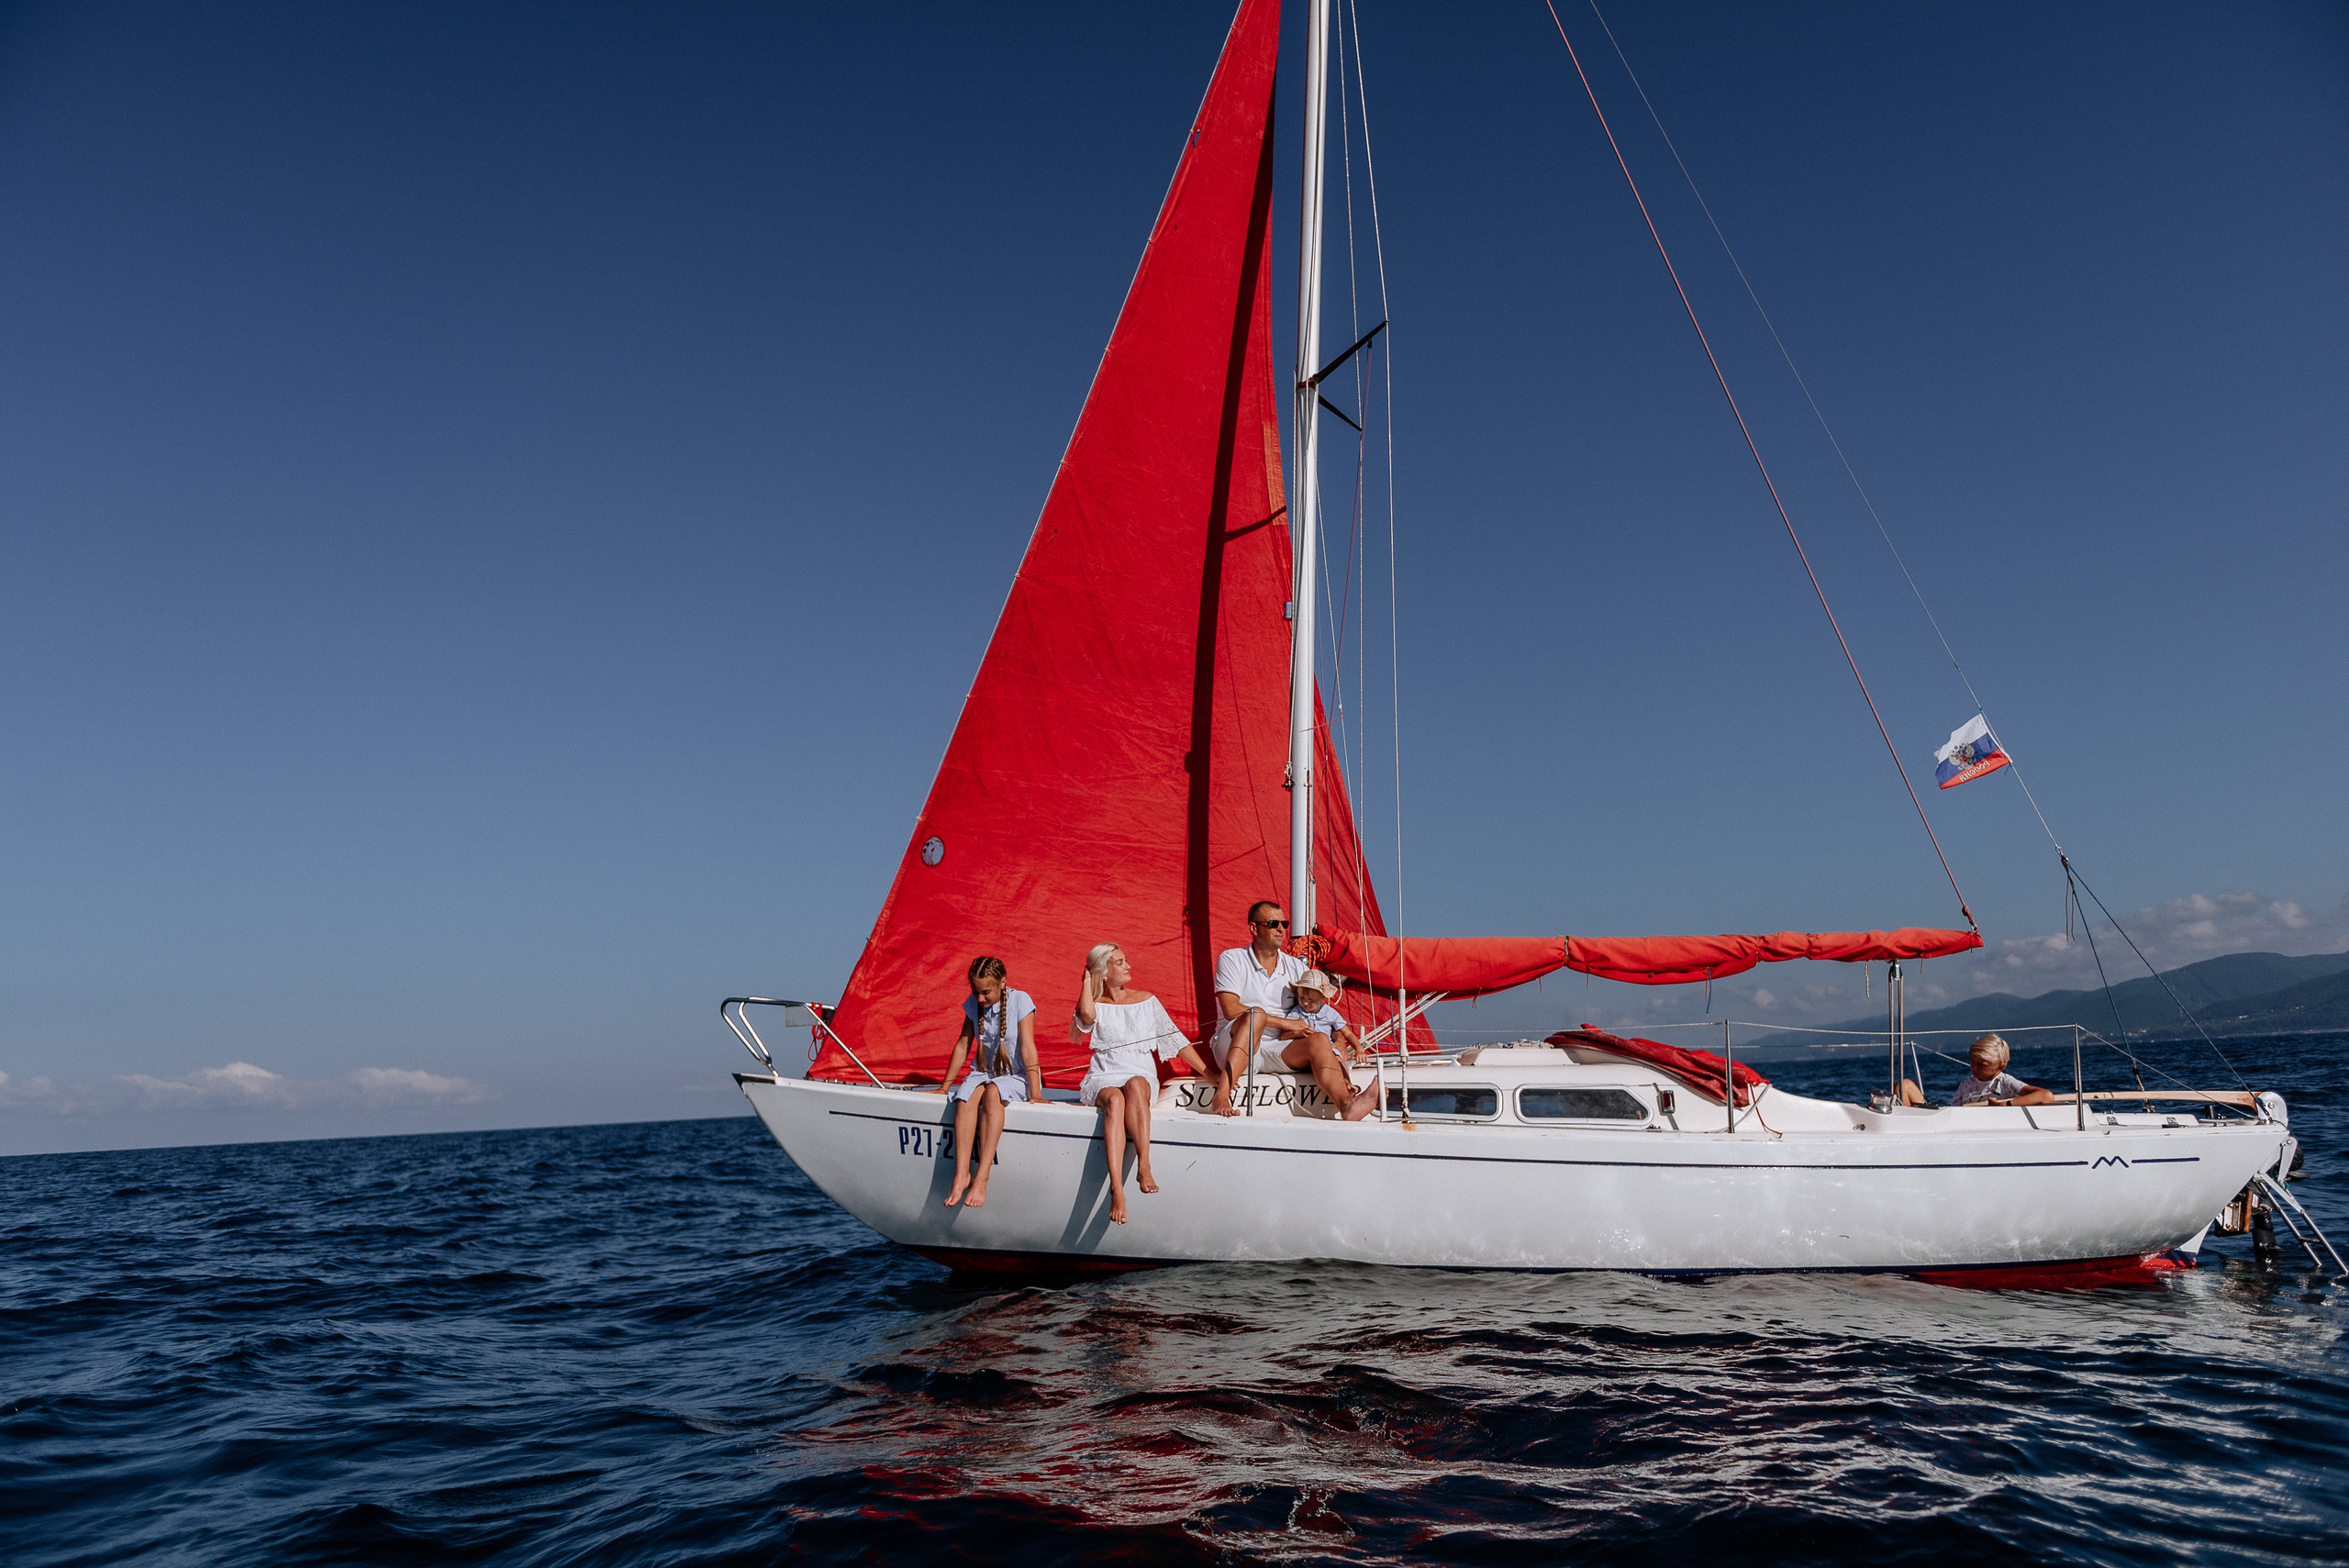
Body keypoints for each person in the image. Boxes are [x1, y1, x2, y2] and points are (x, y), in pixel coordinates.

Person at [1072, 942, 1231, 1223]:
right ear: (1104, 972)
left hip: (1139, 1073)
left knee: (1134, 1086)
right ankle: (1116, 1188)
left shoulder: (1147, 1000)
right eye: (1119, 962)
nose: (1127, 966)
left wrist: (1208, 1073)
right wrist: (1086, 980)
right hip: (1104, 1076)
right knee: (1115, 1099)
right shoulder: (1096, 1004)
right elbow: (1085, 1017)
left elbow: (1175, 1039)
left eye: (1125, 959)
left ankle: (1143, 1163)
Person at [933, 956, 1041, 1208]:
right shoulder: (974, 1004)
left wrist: (1036, 1093)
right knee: (965, 1097)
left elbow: (1028, 1047)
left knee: (993, 1094)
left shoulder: (1020, 1000)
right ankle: (962, 1174)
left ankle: (982, 1177)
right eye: (975, 991)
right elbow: (963, 1044)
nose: (980, 998)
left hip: (1016, 1076)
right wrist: (944, 1087)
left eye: (986, 992)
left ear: (1002, 982)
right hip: (983, 1072)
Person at [1253, 969, 1380, 1121]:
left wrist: (1359, 1049)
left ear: (1322, 998)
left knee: (1338, 1060)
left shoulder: (1330, 1013)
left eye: (1311, 1000)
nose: (1306, 1003)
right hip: (1305, 1051)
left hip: (1328, 1050)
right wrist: (1297, 1033)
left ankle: (1348, 1085)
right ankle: (1347, 1098)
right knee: (1330, 1055)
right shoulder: (1296, 1012)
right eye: (1302, 998)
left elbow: (1347, 1033)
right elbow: (1283, 1035)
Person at [1213, 900, 1308, 1096]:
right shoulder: (1232, 959)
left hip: (1279, 1047)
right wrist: (1285, 1023)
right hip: (1232, 1044)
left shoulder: (1298, 967)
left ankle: (1347, 1102)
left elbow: (1315, 1009)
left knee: (1321, 1041)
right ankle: (1221, 1096)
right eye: (1273, 924)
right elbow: (1231, 1010)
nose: (1281, 929)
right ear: (1254, 928)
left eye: (1284, 924)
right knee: (1255, 1015)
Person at [1902, 1033, 2056, 1107]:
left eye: (1981, 1064)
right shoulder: (1966, 1083)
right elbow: (1952, 1110)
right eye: (1972, 1062)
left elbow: (2046, 1095)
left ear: (2000, 1066)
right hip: (1955, 1119)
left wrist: (2006, 1105)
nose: (1973, 1067)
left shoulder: (2006, 1083)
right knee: (1905, 1085)